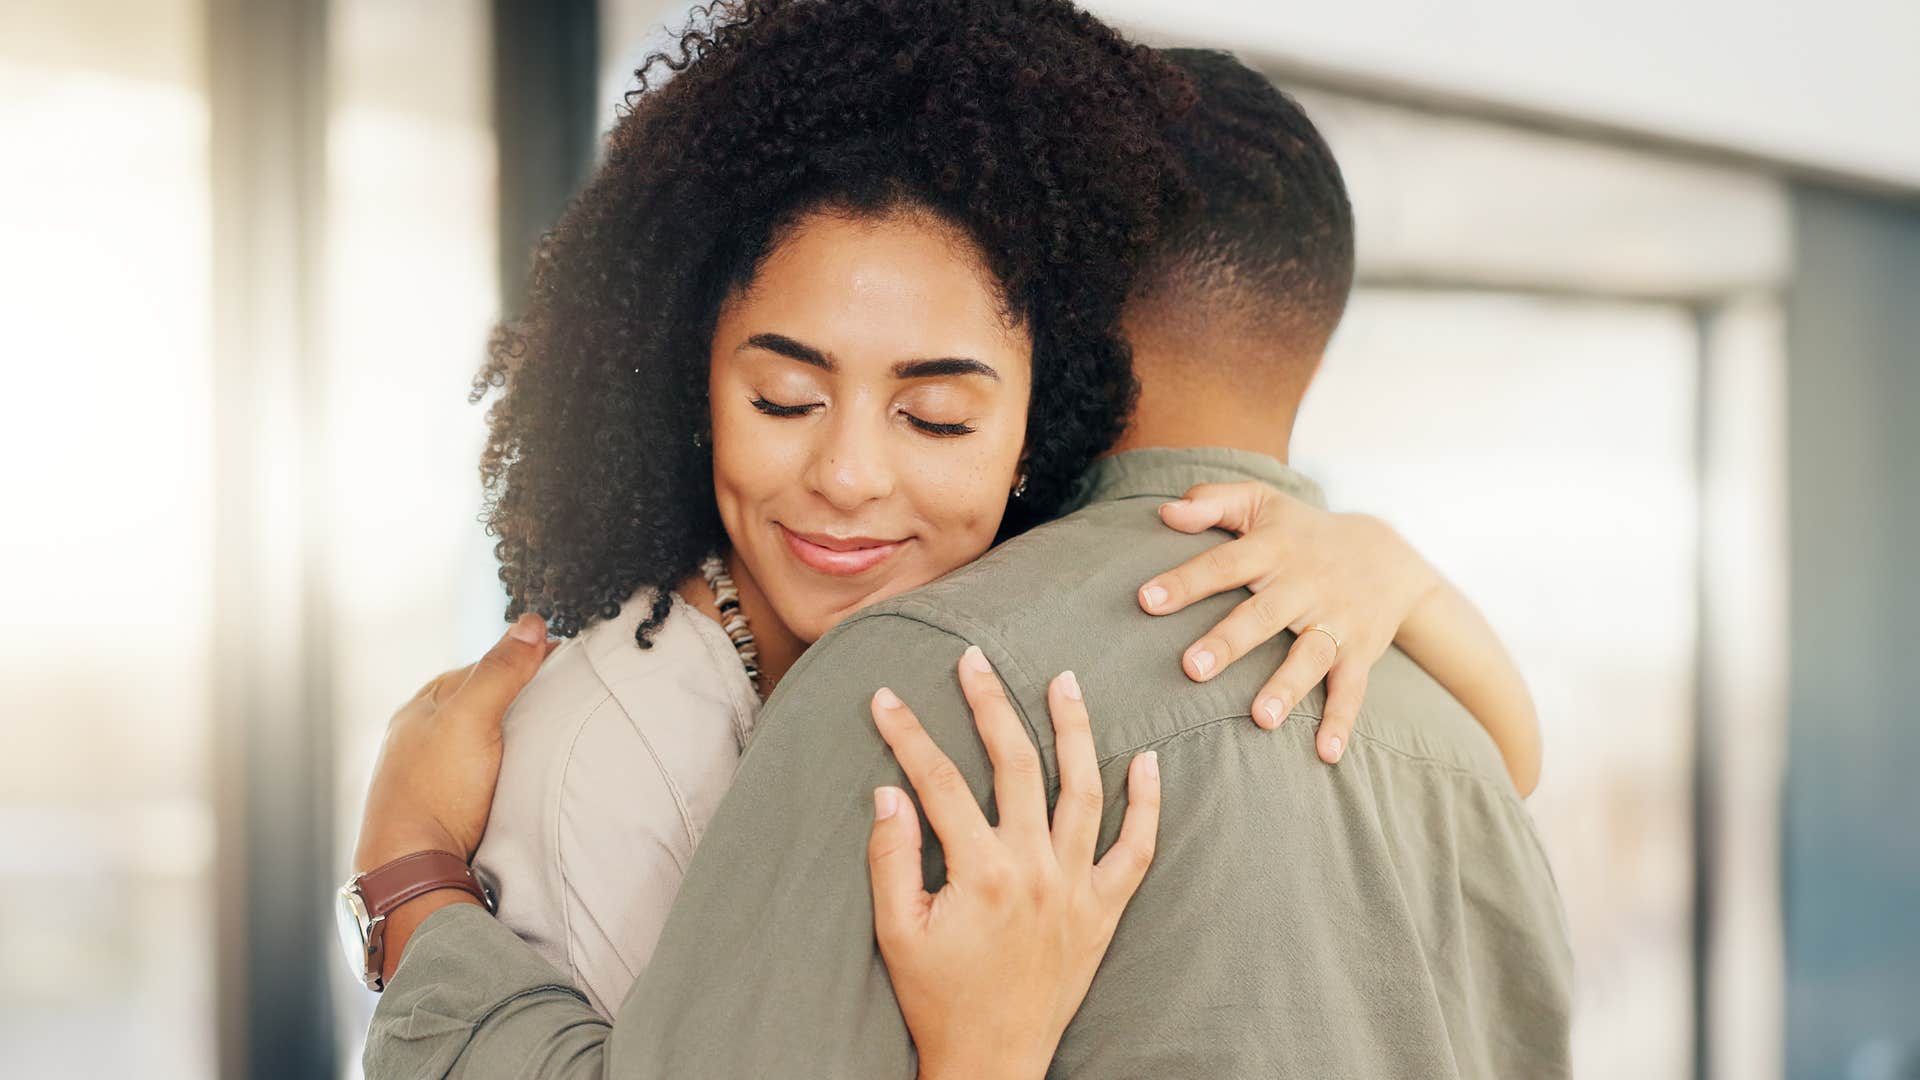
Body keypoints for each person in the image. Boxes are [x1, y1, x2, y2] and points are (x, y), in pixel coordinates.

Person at [356, 35, 1568, 1080]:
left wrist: (411, 884)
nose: (851, 473)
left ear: (1057, 342)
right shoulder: (1445, 727)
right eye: (786, 393)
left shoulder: (920, 691)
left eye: (935, 410)